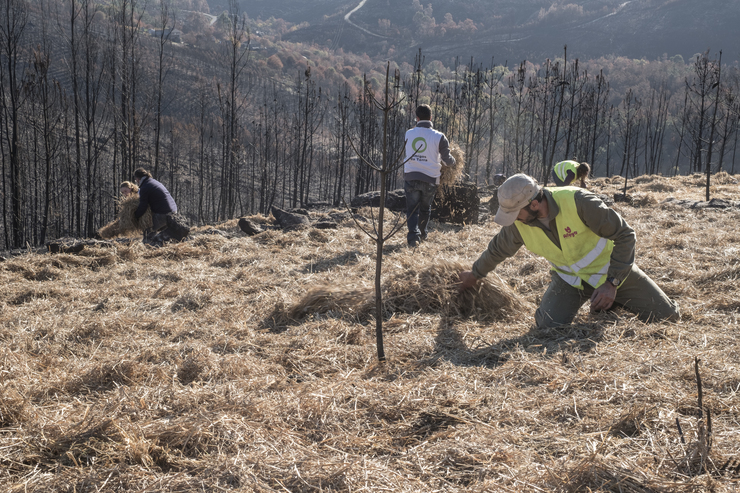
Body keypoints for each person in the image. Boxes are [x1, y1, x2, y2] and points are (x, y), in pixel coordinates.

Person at [458, 173, 679, 328]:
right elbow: (497, 249)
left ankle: (613, 299)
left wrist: (612, 283)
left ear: (534, 204)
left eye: (516, 213)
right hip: (570, 279)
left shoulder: (579, 202)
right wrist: (475, 274)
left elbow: (625, 235)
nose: (513, 220)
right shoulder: (519, 224)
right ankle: (601, 302)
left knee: (668, 317)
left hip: (610, 273)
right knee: (547, 325)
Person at [404, 104, 456, 247]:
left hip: (411, 176)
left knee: (412, 209)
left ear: (417, 118)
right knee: (425, 209)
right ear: (431, 117)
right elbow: (447, 160)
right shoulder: (439, 137)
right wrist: (454, 162)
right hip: (430, 179)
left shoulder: (408, 134)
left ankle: (413, 238)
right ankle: (423, 234)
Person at [133, 168, 178, 241]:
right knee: (160, 233)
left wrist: (135, 216)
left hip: (164, 214)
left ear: (137, 179)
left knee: (148, 231)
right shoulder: (153, 182)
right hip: (173, 211)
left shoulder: (145, 187)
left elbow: (143, 206)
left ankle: (148, 247)